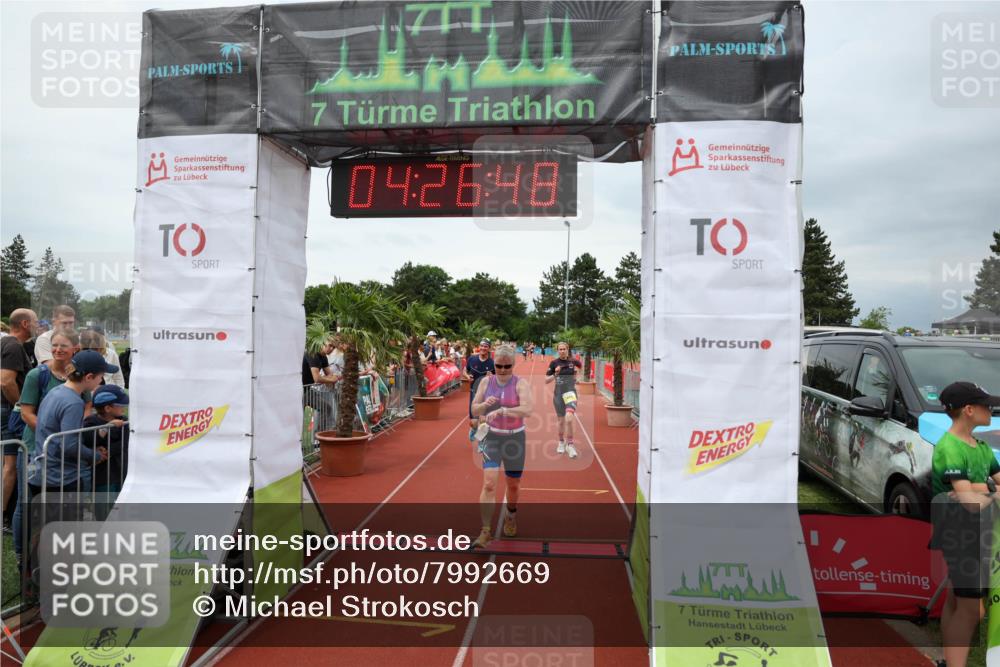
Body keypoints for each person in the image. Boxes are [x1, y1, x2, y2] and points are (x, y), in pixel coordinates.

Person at [929, 381, 1000, 667]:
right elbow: (969, 501)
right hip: (960, 533)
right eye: (986, 405)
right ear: (969, 410)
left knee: (957, 600)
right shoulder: (950, 448)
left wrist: (980, 489)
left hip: (978, 532)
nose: (991, 409)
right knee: (973, 611)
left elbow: (979, 491)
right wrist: (989, 493)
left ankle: (949, 661)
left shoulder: (980, 447)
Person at [11, 329, 79, 563]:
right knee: (26, 502)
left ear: (75, 349)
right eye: (55, 345)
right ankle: (21, 555)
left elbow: (87, 404)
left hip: (62, 451)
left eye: (64, 346)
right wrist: (50, 434)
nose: (58, 350)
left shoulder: (76, 374)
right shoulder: (36, 375)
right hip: (34, 449)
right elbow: (26, 413)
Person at [469, 345, 533, 548]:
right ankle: (486, 530)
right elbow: (474, 408)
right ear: (494, 364)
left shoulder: (520, 384)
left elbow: (527, 410)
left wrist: (504, 410)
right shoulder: (486, 382)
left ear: (513, 365)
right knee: (489, 483)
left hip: (515, 439)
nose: (503, 370)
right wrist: (485, 405)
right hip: (492, 438)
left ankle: (511, 514)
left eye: (507, 366)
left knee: (512, 485)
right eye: (499, 366)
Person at [1, 308, 38, 531]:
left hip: (6, 409)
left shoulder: (7, 343)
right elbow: (6, 381)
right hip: (8, 410)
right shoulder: (14, 346)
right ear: (25, 324)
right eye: (35, 321)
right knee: (11, 466)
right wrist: (20, 405)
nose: (38, 325)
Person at [84, 385, 129, 494]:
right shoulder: (91, 422)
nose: (124, 407)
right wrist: (106, 428)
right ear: (108, 408)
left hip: (122, 473)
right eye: (120, 405)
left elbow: (125, 442)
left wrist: (108, 451)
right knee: (104, 508)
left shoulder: (124, 421)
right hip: (102, 477)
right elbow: (88, 439)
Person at [546, 341, 582, 459]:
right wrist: (555, 374)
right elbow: (546, 380)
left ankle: (570, 445)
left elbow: (581, 366)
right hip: (558, 395)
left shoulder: (573, 361)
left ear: (567, 349)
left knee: (569, 418)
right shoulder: (554, 363)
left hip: (570, 393)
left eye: (564, 349)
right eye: (560, 349)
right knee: (561, 421)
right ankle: (561, 442)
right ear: (558, 350)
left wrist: (577, 377)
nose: (562, 351)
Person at [463, 338, 495, 441]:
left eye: (486, 346)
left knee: (484, 420)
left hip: (486, 394)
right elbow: (464, 371)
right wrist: (467, 376)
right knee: (474, 423)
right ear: (479, 347)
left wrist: (491, 377)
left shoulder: (492, 363)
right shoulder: (472, 359)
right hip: (474, 393)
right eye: (481, 346)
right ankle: (473, 430)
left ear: (489, 348)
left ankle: (481, 441)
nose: (483, 348)